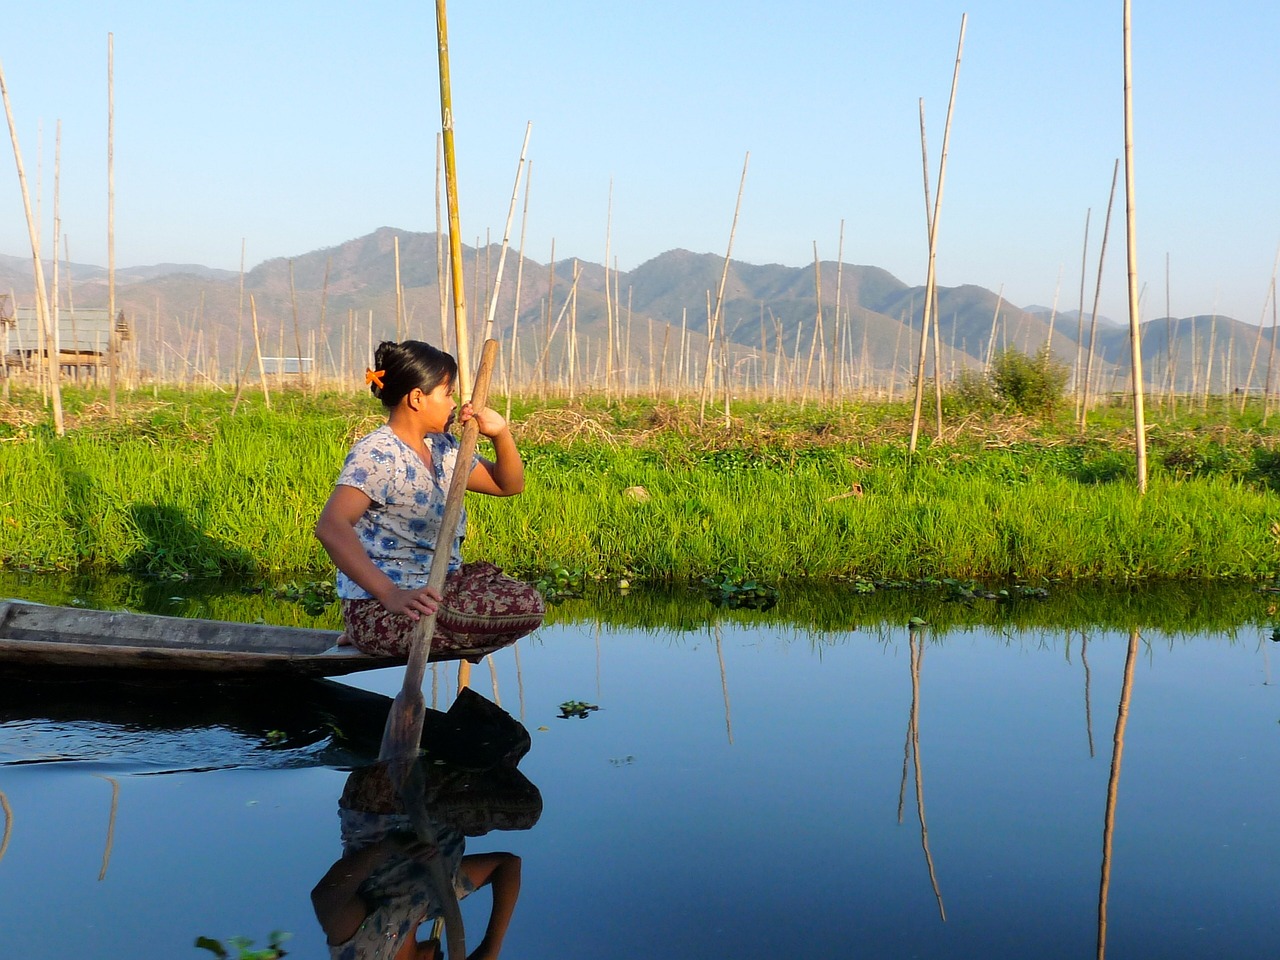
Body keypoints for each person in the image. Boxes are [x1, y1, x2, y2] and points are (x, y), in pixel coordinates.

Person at [315, 340, 544, 661]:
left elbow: (507, 485)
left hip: (441, 589)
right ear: (417, 398)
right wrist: (390, 594)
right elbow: (331, 527)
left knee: (526, 601)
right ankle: (366, 631)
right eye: (448, 393)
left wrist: (500, 434)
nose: (454, 404)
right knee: (510, 611)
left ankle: (452, 632)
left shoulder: (445, 448)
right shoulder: (378, 453)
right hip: (385, 606)